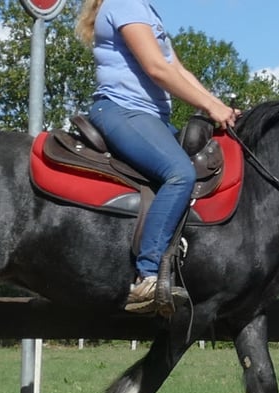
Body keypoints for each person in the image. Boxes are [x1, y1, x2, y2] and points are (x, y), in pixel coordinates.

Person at [76, 0, 240, 314]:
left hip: (151, 117)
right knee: (180, 173)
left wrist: (221, 109)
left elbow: (178, 69)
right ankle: (147, 276)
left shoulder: (146, 10)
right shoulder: (125, 4)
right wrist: (210, 107)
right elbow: (157, 68)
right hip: (121, 110)